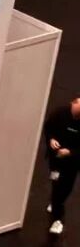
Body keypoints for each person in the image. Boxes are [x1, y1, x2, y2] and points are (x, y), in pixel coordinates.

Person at [45, 95, 80, 235]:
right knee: (56, 186)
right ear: (73, 104)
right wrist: (51, 139)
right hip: (57, 159)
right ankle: (57, 218)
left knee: (66, 187)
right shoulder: (60, 113)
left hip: (73, 162)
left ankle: (57, 203)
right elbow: (48, 128)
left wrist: (70, 152)